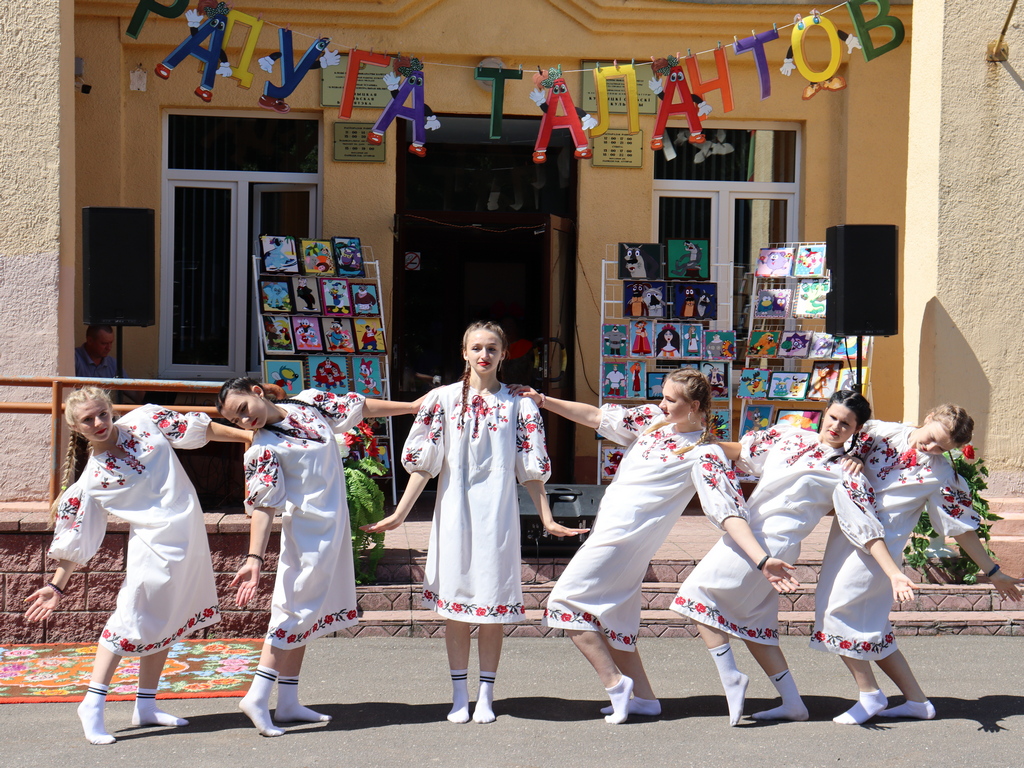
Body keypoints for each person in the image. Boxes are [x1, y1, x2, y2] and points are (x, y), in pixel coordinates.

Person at [513, 369, 793, 724]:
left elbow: (729, 513)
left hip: (624, 542)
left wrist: (762, 559)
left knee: (564, 603)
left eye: (671, 400)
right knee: (615, 619)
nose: (662, 404)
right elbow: (597, 417)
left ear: (694, 406)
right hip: (607, 533)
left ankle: (616, 686)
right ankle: (645, 699)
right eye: (662, 396)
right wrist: (542, 400)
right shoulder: (652, 421)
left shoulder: (704, 453)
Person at [362, 322, 586, 724]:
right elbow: (424, 465)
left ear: (504, 354)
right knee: (458, 610)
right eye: (477, 347)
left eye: (492, 348)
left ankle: (487, 694)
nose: (484, 354)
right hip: (454, 517)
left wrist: (548, 518)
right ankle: (458, 693)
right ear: (464, 352)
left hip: (497, 519)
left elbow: (530, 469)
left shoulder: (520, 404)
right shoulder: (443, 399)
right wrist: (399, 514)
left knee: (491, 608)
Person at [24, 387, 251, 745]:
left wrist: (248, 435)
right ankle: (92, 703)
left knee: (169, 616)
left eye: (102, 413)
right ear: (76, 427)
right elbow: (77, 536)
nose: (98, 422)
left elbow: (201, 430)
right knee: (130, 617)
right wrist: (56, 586)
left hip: (188, 539)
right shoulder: (93, 480)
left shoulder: (145, 419)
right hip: (152, 547)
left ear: (111, 409)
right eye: (88, 419)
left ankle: (145, 705)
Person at [671, 390, 908, 725]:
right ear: (824, 413)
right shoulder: (790, 435)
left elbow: (866, 527)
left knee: (693, 597)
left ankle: (731, 678)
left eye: (846, 423)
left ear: (856, 430)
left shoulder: (847, 471)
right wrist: (700, 447)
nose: (836, 426)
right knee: (755, 627)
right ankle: (793, 703)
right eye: (833, 417)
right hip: (748, 533)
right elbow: (744, 452)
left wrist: (893, 572)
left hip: (771, 546)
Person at [217, 378, 419, 737]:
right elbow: (264, 506)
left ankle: (290, 701)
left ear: (257, 392)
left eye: (244, 410)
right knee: (293, 611)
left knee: (308, 614)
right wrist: (253, 558)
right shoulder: (263, 448)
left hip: (333, 531)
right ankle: (258, 696)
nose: (245, 422)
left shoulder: (309, 405)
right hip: (307, 536)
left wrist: (412, 406)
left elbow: (361, 408)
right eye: (236, 421)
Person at [811, 404, 1024, 725]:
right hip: (845, 536)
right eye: (932, 438)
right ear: (928, 418)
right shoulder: (883, 431)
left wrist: (993, 572)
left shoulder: (939, 473)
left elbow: (961, 528)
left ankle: (870, 694)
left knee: (838, 614)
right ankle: (917, 702)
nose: (932, 448)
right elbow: (844, 435)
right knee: (869, 625)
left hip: (877, 554)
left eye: (943, 447)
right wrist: (853, 453)